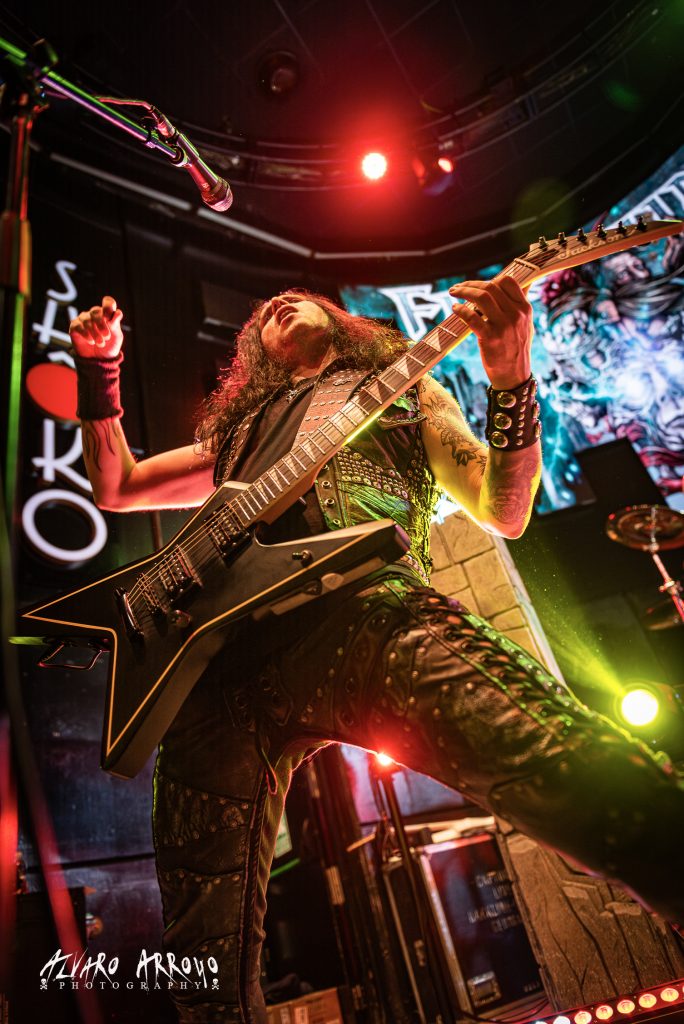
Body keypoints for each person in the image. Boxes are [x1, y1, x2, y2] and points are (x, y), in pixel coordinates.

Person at [69, 282, 684, 1024]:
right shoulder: (238, 432)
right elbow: (117, 484)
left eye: (295, 297)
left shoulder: (404, 391)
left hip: (364, 614)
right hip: (218, 670)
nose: (276, 305)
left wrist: (510, 377)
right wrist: (99, 368)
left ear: (340, 320)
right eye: (263, 312)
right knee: (201, 964)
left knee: (571, 765)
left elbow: (504, 508)